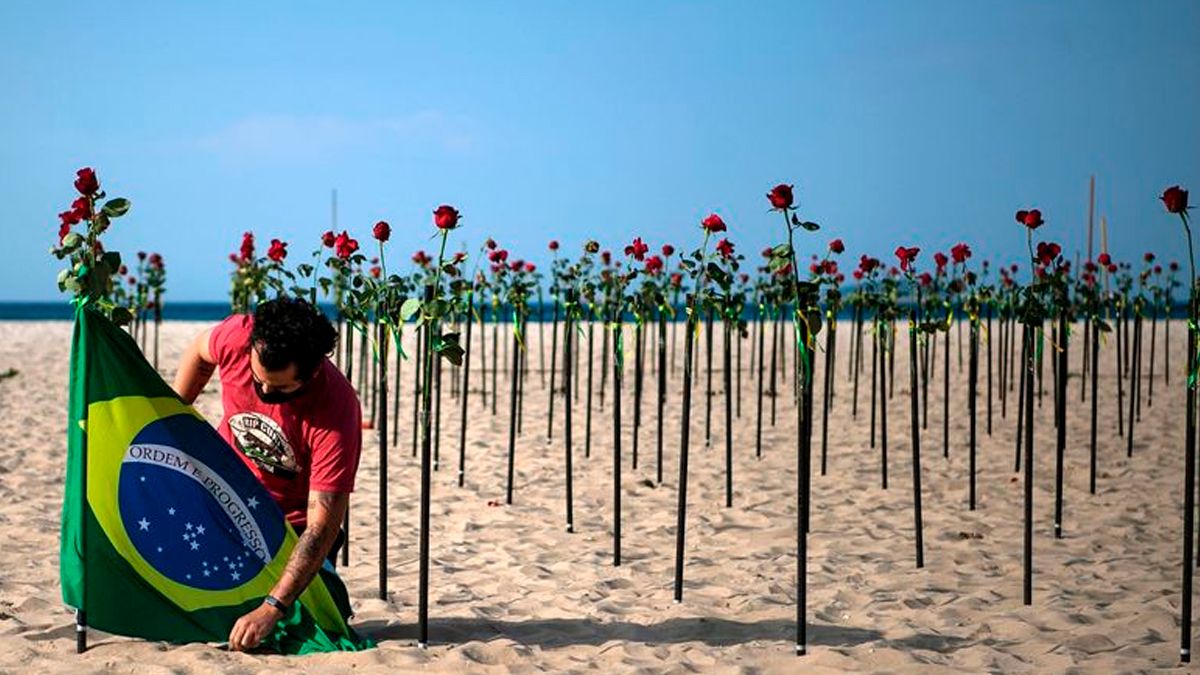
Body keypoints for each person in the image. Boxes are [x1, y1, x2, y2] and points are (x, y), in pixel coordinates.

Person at [172, 296, 362, 652]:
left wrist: (272, 607)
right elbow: (199, 350)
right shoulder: (238, 337)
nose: (264, 392)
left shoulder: (336, 410)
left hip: (290, 531)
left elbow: (321, 527)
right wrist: (174, 414)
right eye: (258, 380)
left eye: (280, 388)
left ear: (313, 372)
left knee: (313, 631)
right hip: (222, 503)